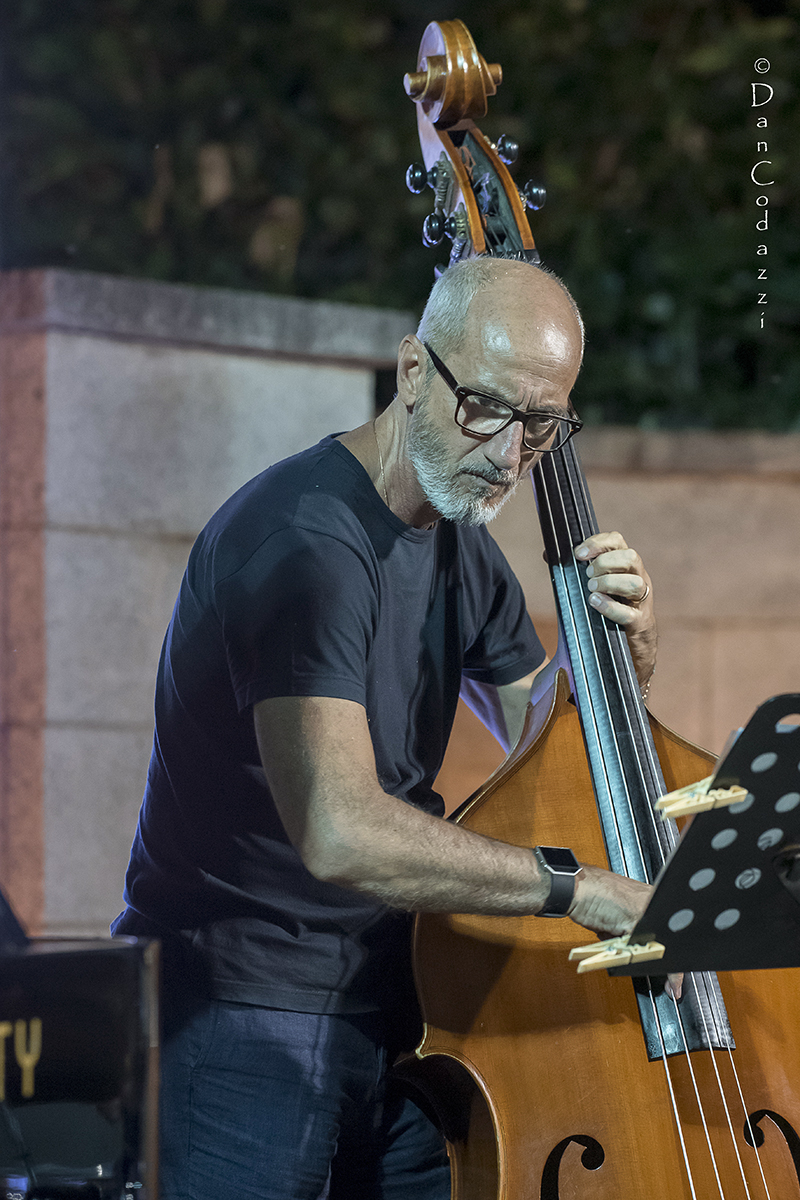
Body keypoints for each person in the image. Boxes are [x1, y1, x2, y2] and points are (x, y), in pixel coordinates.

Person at [113, 256, 662, 1200]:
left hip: (396, 1010)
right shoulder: (304, 546)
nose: (510, 451)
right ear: (414, 373)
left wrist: (623, 655)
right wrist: (574, 889)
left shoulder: (458, 537)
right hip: (244, 1012)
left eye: (543, 423)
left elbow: (546, 735)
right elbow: (341, 831)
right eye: (486, 407)